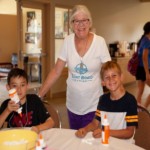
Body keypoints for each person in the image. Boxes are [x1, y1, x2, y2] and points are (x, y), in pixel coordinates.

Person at [38, 5, 111, 130]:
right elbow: (56, 71)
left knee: (91, 143)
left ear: (89, 22)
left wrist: (119, 95)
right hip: (73, 104)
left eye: (84, 20)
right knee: (75, 139)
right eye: (76, 21)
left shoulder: (100, 42)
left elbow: (109, 71)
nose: (81, 24)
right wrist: (39, 95)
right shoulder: (67, 41)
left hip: (94, 104)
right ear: (72, 24)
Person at [75, 61, 138, 143]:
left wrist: (106, 132)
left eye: (114, 75)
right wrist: (84, 129)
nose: (111, 79)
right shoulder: (103, 99)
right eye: (107, 77)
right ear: (103, 82)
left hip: (123, 145)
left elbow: (129, 132)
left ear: (121, 77)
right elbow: (95, 123)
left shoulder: (130, 100)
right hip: (106, 142)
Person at [0, 68, 54, 133]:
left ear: (27, 86)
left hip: (32, 137)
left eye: (22, 85)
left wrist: (38, 128)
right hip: (14, 139)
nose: (19, 89)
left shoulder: (34, 100)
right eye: (14, 86)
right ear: (8, 88)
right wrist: (7, 111)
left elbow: (51, 122)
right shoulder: (6, 104)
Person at [135, 21, 150, 107]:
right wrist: (147, 73)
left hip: (140, 69)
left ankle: (138, 111)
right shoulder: (147, 41)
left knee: (140, 91)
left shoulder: (142, 39)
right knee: (140, 91)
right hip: (145, 69)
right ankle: (144, 109)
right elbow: (144, 58)